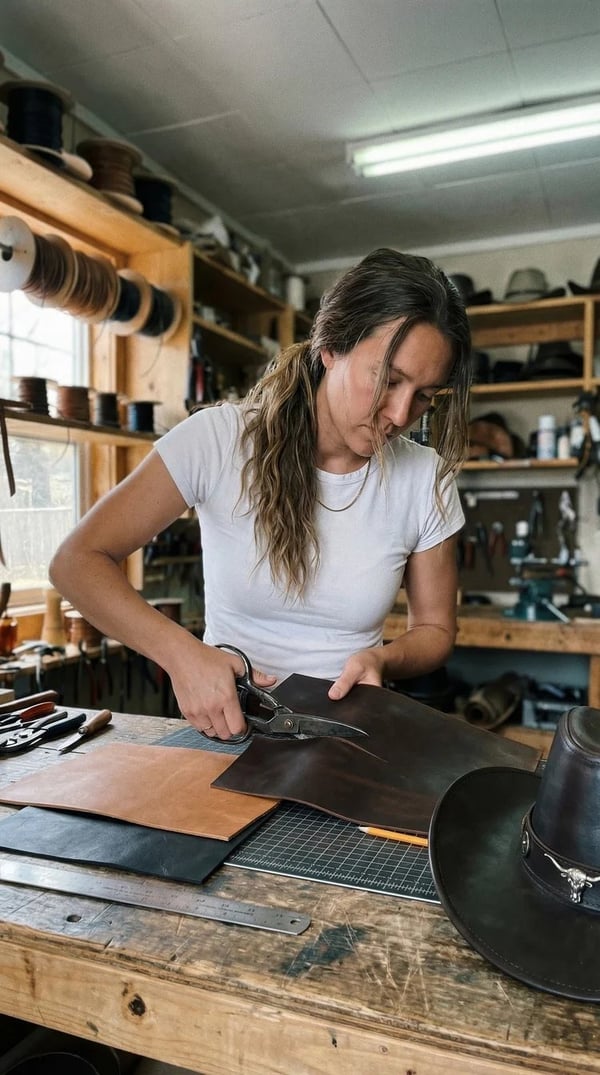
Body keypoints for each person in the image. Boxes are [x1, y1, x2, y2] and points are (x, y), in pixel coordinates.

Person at [50, 247, 472, 740]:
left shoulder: (425, 477)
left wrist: (383, 657)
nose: (402, 415)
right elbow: (76, 561)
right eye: (388, 379)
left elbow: (436, 631)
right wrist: (183, 655)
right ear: (330, 347)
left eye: (424, 396)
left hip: (350, 735)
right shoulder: (218, 440)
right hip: (228, 727)